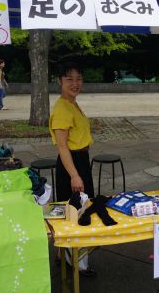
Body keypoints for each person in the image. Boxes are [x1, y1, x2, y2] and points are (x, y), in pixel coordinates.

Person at [49, 62, 96, 276]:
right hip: (72, 164)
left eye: (78, 78)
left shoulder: (72, 103)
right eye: (69, 79)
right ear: (59, 81)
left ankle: (66, 256)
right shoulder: (62, 108)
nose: (75, 83)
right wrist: (75, 175)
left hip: (80, 160)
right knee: (77, 211)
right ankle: (77, 264)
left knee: (77, 208)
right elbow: (62, 146)